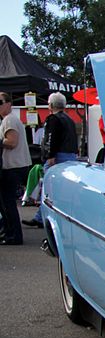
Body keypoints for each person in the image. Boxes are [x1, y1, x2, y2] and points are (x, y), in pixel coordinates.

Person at [23, 92, 77, 229]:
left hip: (57, 156)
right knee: (62, 190)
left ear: (51, 105)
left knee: (48, 189)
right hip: (70, 156)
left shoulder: (53, 119)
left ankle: (42, 217)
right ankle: (40, 216)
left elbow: (50, 138)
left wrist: (50, 155)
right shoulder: (69, 120)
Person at [0, 93, 32, 245]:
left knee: (8, 203)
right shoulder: (9, 120)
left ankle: (13, 235)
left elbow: (12, 142)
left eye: (0, 102)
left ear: (9, 103)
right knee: (7, 203)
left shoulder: (9, 119)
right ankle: (10, 233)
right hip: (16, 166)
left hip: (13, 167)